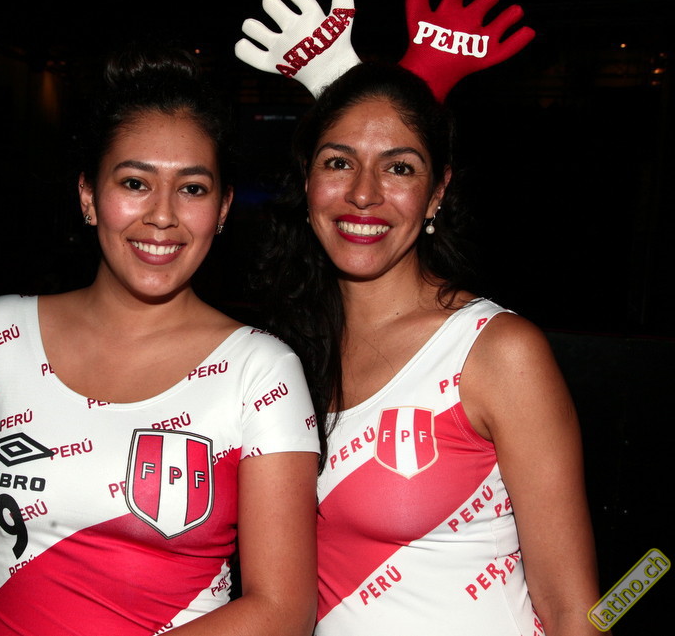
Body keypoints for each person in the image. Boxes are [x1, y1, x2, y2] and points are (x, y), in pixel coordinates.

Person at [0, 46, 320, 636]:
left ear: (222, 208)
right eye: (135, 182)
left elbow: (282, 611)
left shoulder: (262, 372)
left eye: (193, 188)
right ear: (88, 195)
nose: (162, 215)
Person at [253, 60, 605, 635]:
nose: (363, 193)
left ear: (437, 192)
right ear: (307, 181)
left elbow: (574, 611)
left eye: (399, 168)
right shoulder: (275, 356)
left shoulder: (495, 352)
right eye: (338, 162)